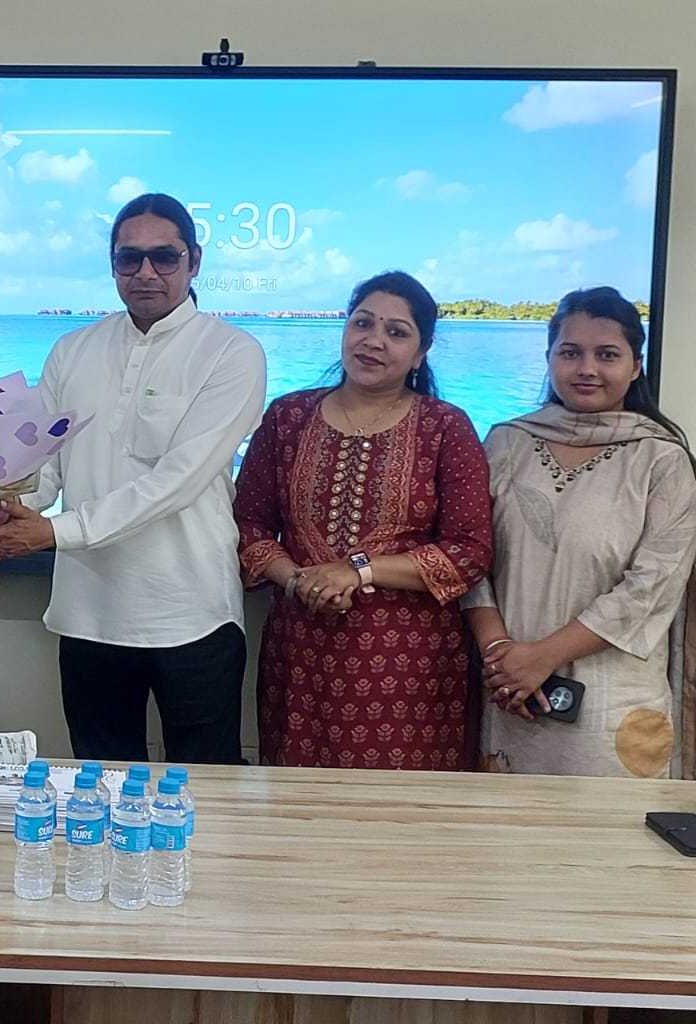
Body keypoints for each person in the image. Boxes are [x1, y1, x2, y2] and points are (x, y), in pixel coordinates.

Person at [0, 193, 267, 765]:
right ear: (113, 265)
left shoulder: (232, 353)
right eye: (130, 258)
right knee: (98, 787)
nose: (146, 272)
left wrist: (52, 533)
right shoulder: (73, 350)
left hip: (192, 613)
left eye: (164, 257)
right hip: (89, 612)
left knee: (207, 790)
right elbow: (45, 469)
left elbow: (179, 480)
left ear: (194, 261)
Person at [235, 270, 492, 771]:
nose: (374, 341)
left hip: (411, 669)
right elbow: (248, 525)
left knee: (400, 808)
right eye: (363, 323)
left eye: (397, 332)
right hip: (300, 658)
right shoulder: (288, 417)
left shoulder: (446, 427)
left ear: (420, 353)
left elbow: (469, 551)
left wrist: (357, 571)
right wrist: (298, 581)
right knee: (300, 801)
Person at [464, 287, 696, 777]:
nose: (587, 368)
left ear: (635, 366)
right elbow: (470, 557)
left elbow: (650, 589)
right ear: (549, 358)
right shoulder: (506, 443)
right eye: (570, 352)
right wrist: (500, 653)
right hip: (509, 692)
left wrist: (543, 657)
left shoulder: (662, 460)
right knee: (505, 821)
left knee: (610, 825)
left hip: (612, 707)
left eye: (607, 355)